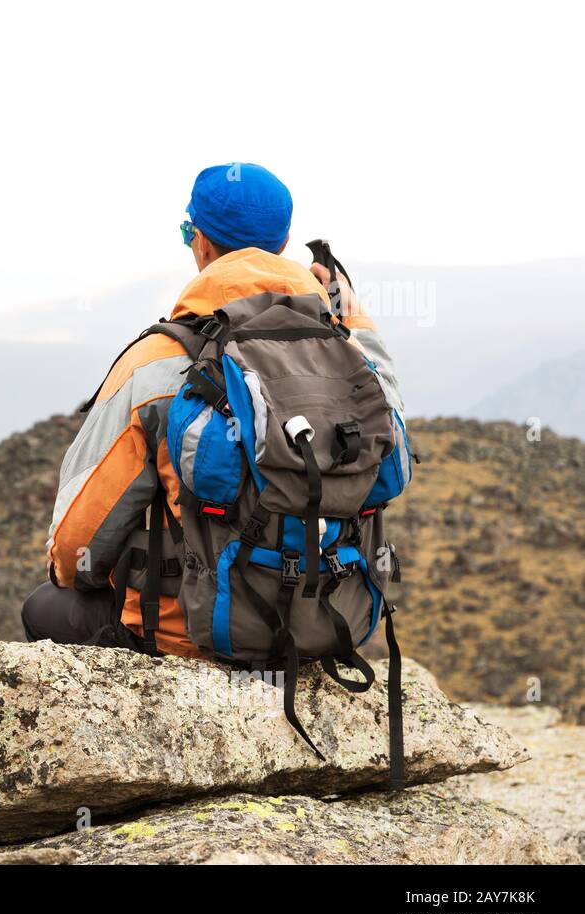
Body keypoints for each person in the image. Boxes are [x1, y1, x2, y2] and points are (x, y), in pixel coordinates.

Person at [21, 162, 403, 656]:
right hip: (329, 617)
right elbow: (390, 414)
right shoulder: (351, 350)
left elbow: (79, 548)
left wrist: (73, 571)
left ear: (200, 242)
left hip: (193, 631)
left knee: (43, 606)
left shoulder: (155, 362)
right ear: (284, 244)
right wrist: (351, 314)